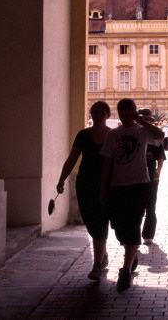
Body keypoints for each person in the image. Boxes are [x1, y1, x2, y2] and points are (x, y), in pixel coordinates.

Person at [99, 98, 165, 292]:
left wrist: (141, 120)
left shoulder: (142, 131)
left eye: (130, 114)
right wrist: (103, 187)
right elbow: (107, 163)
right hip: (117, 186)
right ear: (118, 114)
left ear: (134, 113)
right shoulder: (113, 134)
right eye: (123, 114)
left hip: (140, 184)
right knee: (119, 227)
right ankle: (131, 249)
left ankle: (126, 270)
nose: (127, 117)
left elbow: (160, 135)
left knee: (134, 223)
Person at [56, 101, 112, 281]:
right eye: (95, 111)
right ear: (91, 114)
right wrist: (61, 179)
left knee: (100, 220)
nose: (98, 114)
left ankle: (97, 264)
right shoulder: (83, 134)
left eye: (102, 112)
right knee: (90, 219)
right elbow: (72, 158)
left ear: (107, 114)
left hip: (107, 183)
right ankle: (102, 253)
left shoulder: (112, 135)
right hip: (85, 182)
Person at [138, 109, 167, 245]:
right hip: (135, 172)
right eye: (144, 119)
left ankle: (148, 234)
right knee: (135, 205)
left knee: (150, 205)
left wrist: (158, 172)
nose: (147, 122)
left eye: (149, 120)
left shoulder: (155, 138)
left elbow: (160, 157)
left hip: (150, 171)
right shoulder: (135, 134)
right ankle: (134, 235)